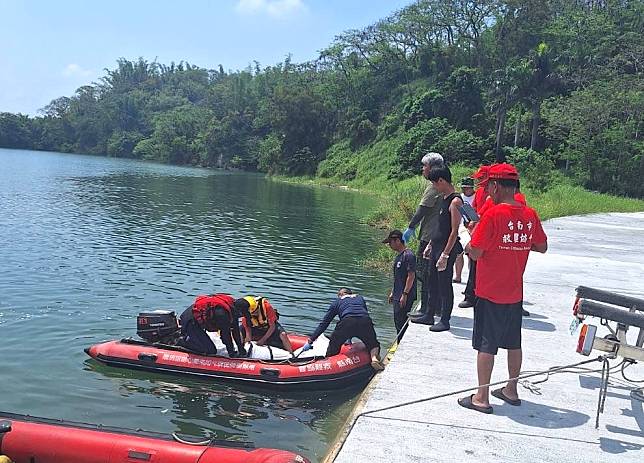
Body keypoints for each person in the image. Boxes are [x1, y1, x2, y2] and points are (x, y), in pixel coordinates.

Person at [457, 163, 547, 414]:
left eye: (487, 187)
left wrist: (470, 241)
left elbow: (475, 252)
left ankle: (482, 397)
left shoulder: (493, 215)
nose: (487, 192)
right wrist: (516, 247)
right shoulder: (530, 214)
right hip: (514, 292)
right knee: (513, 342)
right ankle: (511, 389)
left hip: (489, 291)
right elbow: (541, 246)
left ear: (496, 186)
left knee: (486, 344)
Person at [402, 152, 444, 325]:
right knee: (430, 273)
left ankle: (427, 309)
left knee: (424, 272)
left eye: (424, 166)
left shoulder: (434, 186)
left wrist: (411, 227)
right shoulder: (441, 183)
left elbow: (422, 210)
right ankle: (434, 307)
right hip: (434, 234)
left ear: (432, 167)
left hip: (429, 236)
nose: (423, 169)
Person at [422, 166, 464, 332]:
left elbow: (454, 230)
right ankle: (428, 314)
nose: (434, 187)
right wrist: (431, 244)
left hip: (446, 249)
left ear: (442, 180)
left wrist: (445, 255)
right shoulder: (443, 198)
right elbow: (439, 226)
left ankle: (445, 320)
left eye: (434, 183)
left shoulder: (455, 201)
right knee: (432, 281)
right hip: (436, 246)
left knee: (444, 285)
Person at [303, 288, 384, 370]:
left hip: (347, 322)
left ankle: (330, 366)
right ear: (351, 293)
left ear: (339, 295)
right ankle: (374, 359)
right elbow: (362, 312)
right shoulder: (360, 298)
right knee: (374, 344)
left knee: (334, 344)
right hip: (365, 321)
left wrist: (311, 339)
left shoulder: (337, 302)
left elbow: (325, 323)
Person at [459, 165, 491, 308]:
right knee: (474, 263)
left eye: (481, 178)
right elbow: (476, 209)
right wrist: (471, 219)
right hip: (477, 229)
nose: (479, 181)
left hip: (489, 230)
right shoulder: (479, 193)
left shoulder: (494, 193)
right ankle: (470, 295)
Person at [178, 293, 246, 357]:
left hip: (195, 318)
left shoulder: (233, 307)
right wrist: (232, 353)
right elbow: (226, 335)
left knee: (207, 345)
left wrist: (241, 349)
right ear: (239, 311)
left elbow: (235, 330)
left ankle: (192, 337)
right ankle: (182, 341)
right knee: (210, 350)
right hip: (190, 321)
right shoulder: (222, 314)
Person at [383, 229, 417, 341]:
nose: (389, 245)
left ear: (397, 241)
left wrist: (405, 294)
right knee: (397, 320)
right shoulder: (399, 256)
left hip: (405, 295)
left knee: (401, 321)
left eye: (390, 243)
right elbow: (398, 277)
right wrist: (393, 292)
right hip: (398, 294)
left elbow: (411, 276)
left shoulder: (408, 255)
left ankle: (402, 342)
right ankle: (399, 341)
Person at [453, 177, 475, 283]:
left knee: (471, 255)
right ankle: (458, 276)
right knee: (459, 253)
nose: (464, 190)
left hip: (473, 227)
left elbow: (475, 215)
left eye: (466, 188)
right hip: (460, 226)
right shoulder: (460, 198)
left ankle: (471, 278)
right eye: (463, 188)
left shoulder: (476, 197)